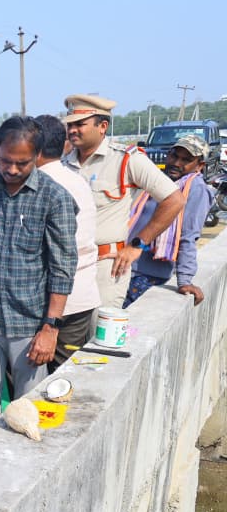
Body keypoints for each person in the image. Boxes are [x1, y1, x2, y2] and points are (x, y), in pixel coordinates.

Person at [0, 116, 78, 433]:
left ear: (37, 156)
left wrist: (50, 328)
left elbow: (63, 267)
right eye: (4, 161)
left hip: (30, 324)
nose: (11, 169)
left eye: (21, 163)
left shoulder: (54, 198)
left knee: (30, 407)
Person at [62, 94, 185, 308]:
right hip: (66, 265)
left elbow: (174, 200)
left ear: (102, 126)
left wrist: (138, 245)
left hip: (105, 267)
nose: (72, 130)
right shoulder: (63, 163)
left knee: (101, 326)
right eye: (70, 125)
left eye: (79, 124)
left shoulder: (126, 159)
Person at [33, 115, 100, 368]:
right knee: (65, 373)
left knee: (48, 377)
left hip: (55, 301)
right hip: (80, 295)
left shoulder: (41, 186)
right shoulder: (75, 179)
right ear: (64, 146)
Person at [124, 134, 213, 308]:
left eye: (186, 160)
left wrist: (185, 280)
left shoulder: (196, 189)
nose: (176, 163)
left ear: (199, 165)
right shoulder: (160, 180)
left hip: (148, 274)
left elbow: (188, 235)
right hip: (127, 263)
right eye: (174, 156)